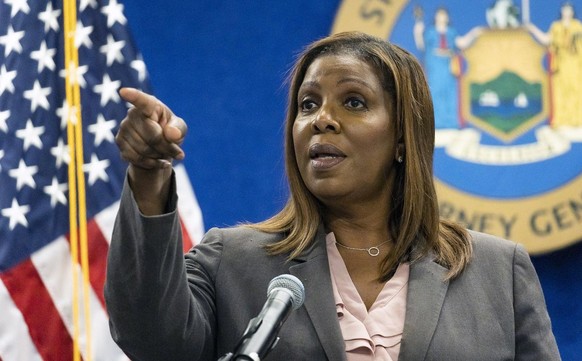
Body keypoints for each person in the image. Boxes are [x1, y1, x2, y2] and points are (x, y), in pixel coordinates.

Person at [105, 32, 561, 360]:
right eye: (308, 104)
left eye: (354, 102)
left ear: (403, 136)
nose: (322, 119)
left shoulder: (497, 272)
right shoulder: (232, 261)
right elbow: (150, 339)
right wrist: (149, 174)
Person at [413, 7, 482, 129]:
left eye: (444, 15)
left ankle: (450, 122)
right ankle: (436, 122)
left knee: (450, 94)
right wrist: (418, 32)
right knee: (435, 93)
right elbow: (422, 45)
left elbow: (461, 43)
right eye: (440, 15)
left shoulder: (451, 32)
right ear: (436, 17)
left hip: (448, 67)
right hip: (435, 66)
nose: (442, 17)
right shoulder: (430, 32)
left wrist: (474, 34)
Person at [526, 2, 582, 127]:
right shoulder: (556, 27)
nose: (567, 12)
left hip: (575, 66)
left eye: (569, 10)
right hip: (560, 65)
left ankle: (577, 119)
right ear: (561, 11)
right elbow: (547, 40)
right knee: (560, 92)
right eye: (565, 9)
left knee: (576, 90)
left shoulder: (578, 26)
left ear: (573, 12)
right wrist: (532, 29)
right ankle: (562, 120)